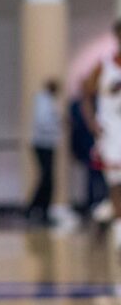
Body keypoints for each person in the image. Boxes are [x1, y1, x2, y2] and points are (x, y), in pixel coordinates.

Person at [82, 18, 121, 248]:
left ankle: (104, 213)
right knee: (116, 182)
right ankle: (118, 234)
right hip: (111, 131)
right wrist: (91, 122)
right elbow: (85, 94)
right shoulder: (103, 65)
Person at [25, 79, 61, 225]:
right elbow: (43, 121)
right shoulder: (43, 101)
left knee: (48, 179)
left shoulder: (49, 101)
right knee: (46, 178)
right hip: (42, 143)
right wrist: (56, 123)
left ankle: (41, 210)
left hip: (49, 143)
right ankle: (35, 209)